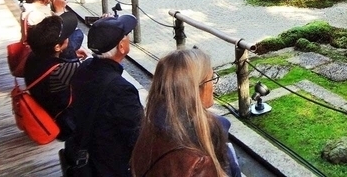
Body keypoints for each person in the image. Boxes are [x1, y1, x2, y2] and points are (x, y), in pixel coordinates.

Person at [131, 48, 241, 177]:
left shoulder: (150, 127)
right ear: (195, 90)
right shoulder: (200, 160)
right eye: (212, 78)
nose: (213, 85)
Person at [66, 15, 143, 177]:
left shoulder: (85, 67)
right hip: (108, 165)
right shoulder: (121, 90)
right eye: (126, 35)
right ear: (121, 46)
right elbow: (137, 136)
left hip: (87, 148)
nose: (128, 37)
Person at [24, 13, 84, 140]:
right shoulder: (61, 71)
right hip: (62, 123)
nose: (69, 36)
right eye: (66, 35)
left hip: (45, 105)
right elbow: (97, 69)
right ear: (57, 47)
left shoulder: (33, 56)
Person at [20, 0, 84, 60]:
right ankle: (70, 61)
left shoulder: (26, 10)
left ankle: (72, 54)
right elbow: (56, 32)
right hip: (47, 50)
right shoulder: (38, 14)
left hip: (39, 47)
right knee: (78, 34)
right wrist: (60, 10)